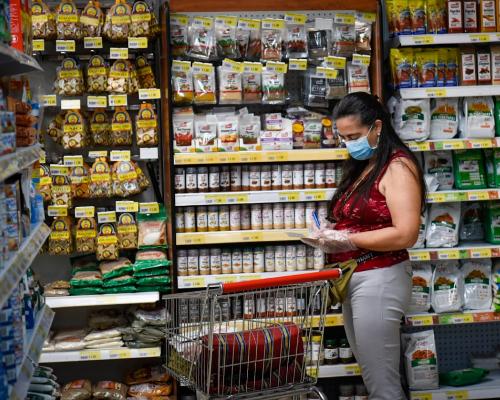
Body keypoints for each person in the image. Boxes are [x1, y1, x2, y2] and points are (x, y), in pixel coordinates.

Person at [305, 92, 426, 399]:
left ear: (377, 127)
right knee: (373, 375)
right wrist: (331, 231)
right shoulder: (366, 164)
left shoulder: (397, 167)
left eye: (354, 136)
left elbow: (406, 234)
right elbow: (360, 218)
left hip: (380, 278)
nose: (349, 144)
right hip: (355, 277)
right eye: (344, 138)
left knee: (382, 384)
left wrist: (349, 239)